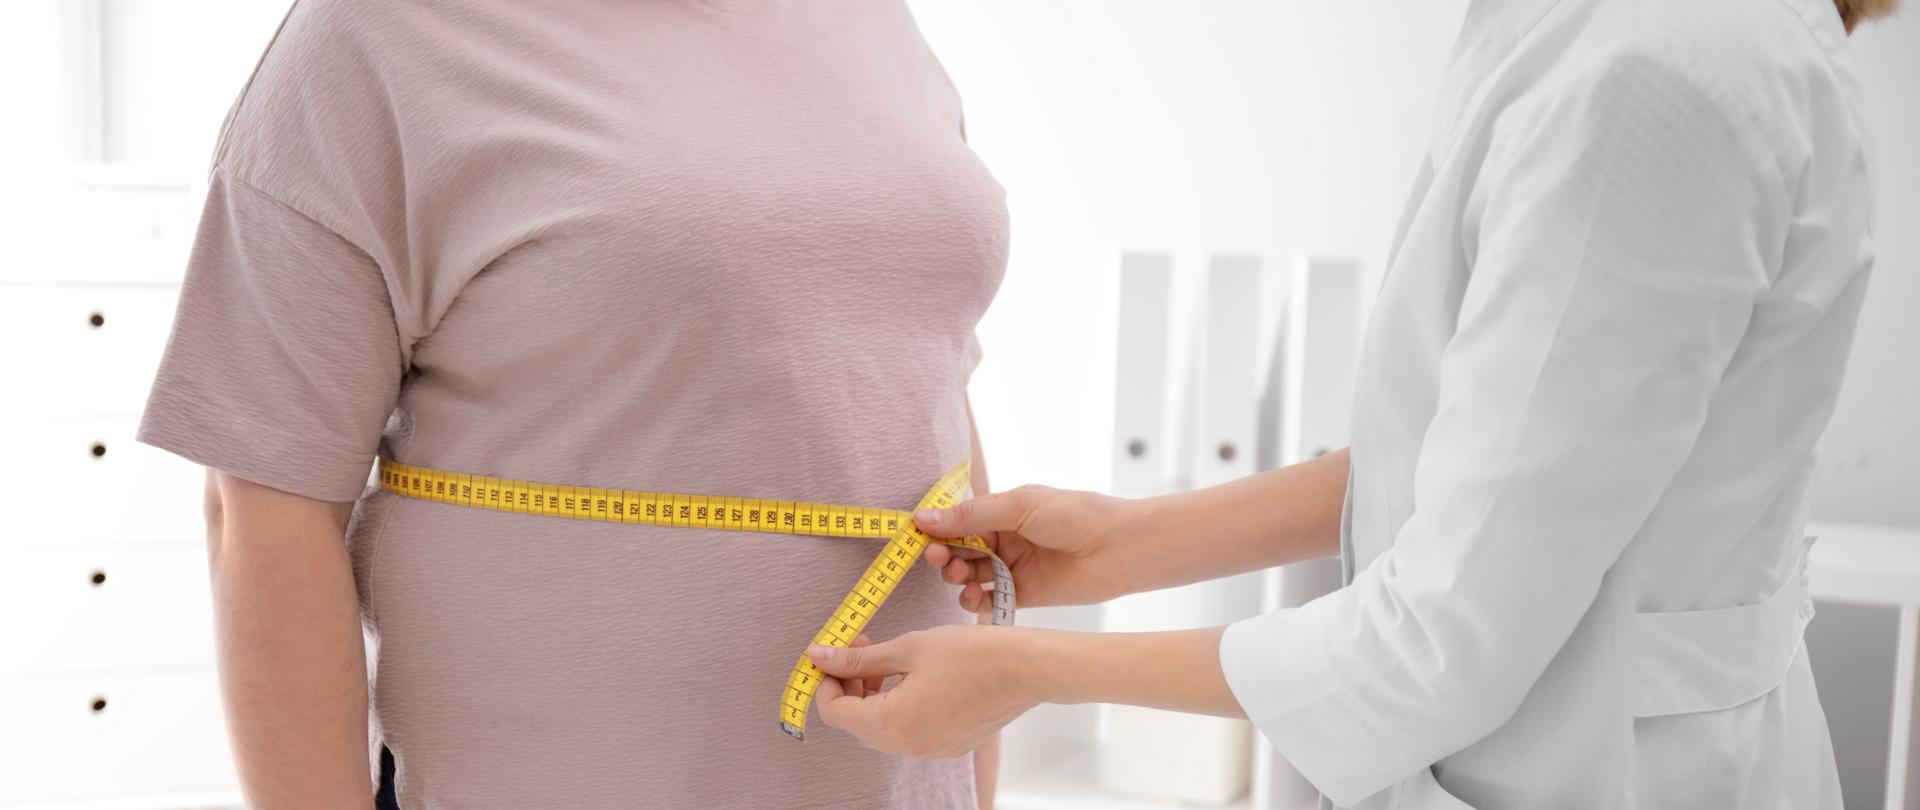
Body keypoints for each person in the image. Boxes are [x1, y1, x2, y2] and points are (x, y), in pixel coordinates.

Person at [804, 0, 1899, 806]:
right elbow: (1487, 460)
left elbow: (1449, 637)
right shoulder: (1591, 32)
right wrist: (1127, 545)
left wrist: (1042, 671)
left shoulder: (1657, 74)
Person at [136, 0, 1007, 807]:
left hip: (907, 780)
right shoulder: (377, 35)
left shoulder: (873, 20)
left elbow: (929, 385)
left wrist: (975, 770)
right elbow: (269, 503)